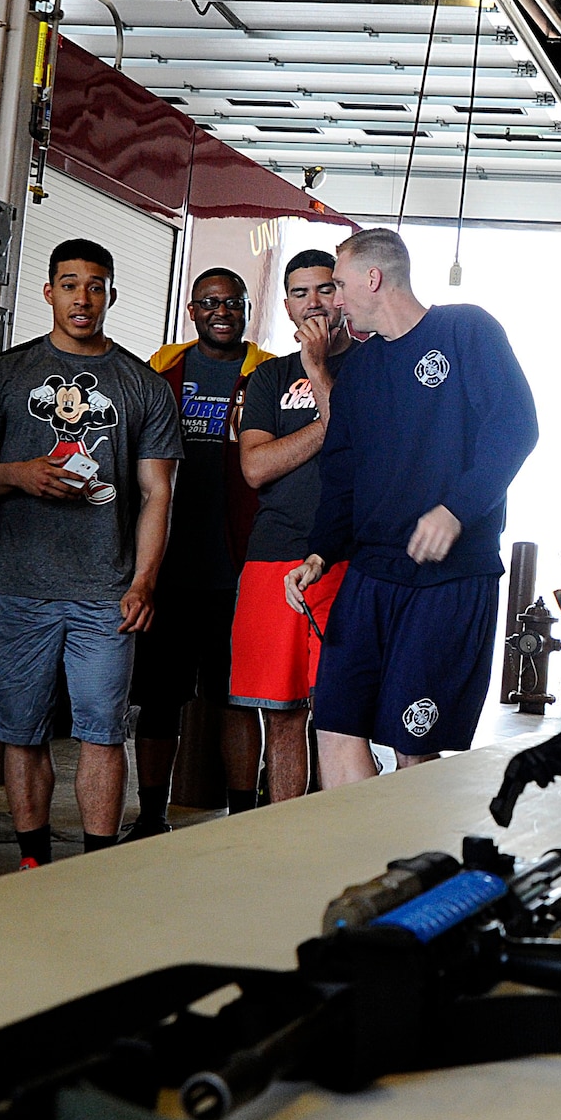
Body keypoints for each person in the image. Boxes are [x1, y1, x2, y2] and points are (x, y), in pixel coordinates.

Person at [0, 240, 180, 868]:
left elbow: (158, 491)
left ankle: (97, 867)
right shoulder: (5, 373)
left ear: (110, 294)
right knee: (21, 731)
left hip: (107, 590)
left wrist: (143, 582)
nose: (83, 297)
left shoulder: (143, 384)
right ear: (48, 292)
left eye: (96, 285)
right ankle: (33, 862)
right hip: (20, 583)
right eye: (70, 283)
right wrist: (20, 475)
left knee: (103, 732)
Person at [283, 229, 537, 784]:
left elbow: (516, 428)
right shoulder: (359, 374)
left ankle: (410, 865)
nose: (336, 301)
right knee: (335, 721)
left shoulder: (466, 330)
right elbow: (343, 474)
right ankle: (358, 862)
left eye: (341, 286)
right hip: (371, 578)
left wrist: (456, 510)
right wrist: (320, 553)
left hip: (448, 581)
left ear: (373, 279)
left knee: (410, 742)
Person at [122, 269, 275, 837]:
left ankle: (240, 818)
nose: (221, 311)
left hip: (238, 569)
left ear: (246, 309)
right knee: (158, 701)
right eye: (210, 302)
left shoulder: (270, 375)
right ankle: (151, 816)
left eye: (232, 302)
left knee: (238, 699)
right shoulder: (159, 372)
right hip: (166, 569)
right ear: (192, 310)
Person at [230, 250, 357, 801]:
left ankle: (336, 836)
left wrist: (317, 371)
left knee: (339, 715)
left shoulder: (376, 366)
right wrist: (328, 425)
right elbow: (256, 467)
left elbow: (360, 452)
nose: (314, 303)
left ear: (345, 295)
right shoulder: (266, 377)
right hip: (273, 555)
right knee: (281, 716)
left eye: (325, 289)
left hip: (350, 558)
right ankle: (285, 836)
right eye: (301, 293)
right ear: (285, 305)